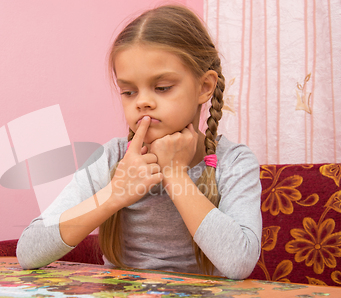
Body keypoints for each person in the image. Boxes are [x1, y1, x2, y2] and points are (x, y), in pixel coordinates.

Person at [17, 5, 262, 280]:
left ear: (205, 87)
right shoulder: (112, 158)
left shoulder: (234, 162)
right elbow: (29, 251)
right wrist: (116, 192)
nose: (142, 101)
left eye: (162, 87)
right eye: (129, 91)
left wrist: (174, 175)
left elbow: (239, 263)